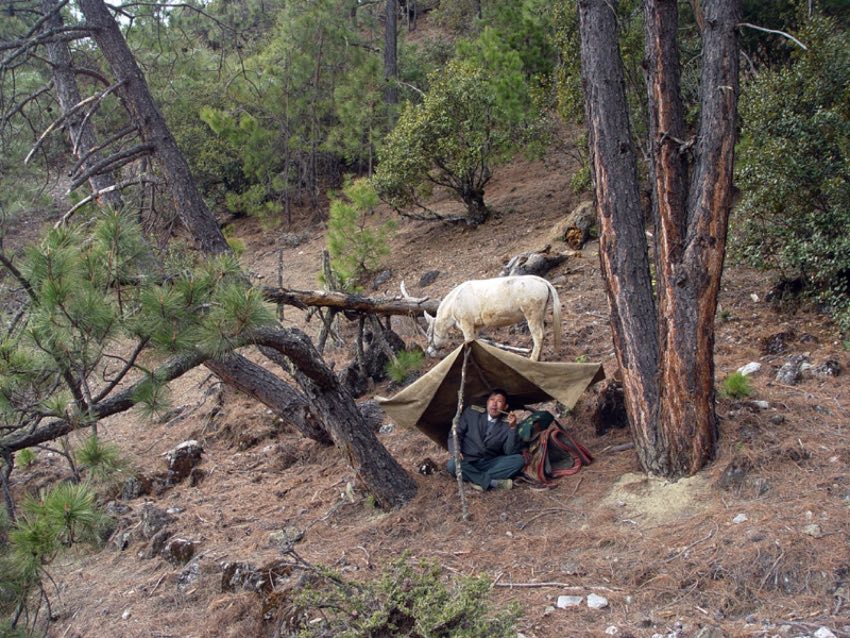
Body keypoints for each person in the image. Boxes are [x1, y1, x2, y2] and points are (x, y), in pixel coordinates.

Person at [446, 388, 525, 491]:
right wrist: (456, 450)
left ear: (505, 407)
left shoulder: (507, 425)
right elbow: (455, 434)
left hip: (489, 462)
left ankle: (475, 479)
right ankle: (490, 482)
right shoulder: (472, 413)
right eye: (492, 400)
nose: (494, 404)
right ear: (487, 402)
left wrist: (513, 428)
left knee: (519, 460)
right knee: (452, 465)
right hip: (467, 460)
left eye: (499, 401)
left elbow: (509, 451)